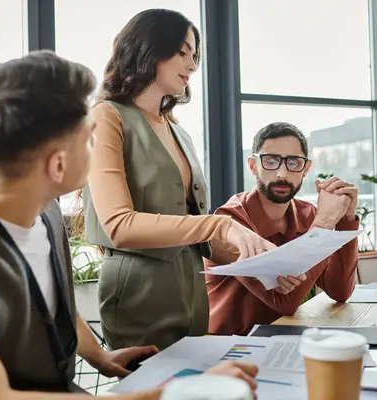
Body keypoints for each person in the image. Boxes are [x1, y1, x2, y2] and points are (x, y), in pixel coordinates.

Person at [0, 51, 258, 400]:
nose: (96, 150)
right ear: (57, 165)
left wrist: (99, 356)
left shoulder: (45, 213)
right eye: (89, 140)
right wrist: (178, 393)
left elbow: (51, 305)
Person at [84, 8, 278, 352]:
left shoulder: (178, 131)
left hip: (191, 299)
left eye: (194, 55)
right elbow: (119, 225)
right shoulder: (107, 117)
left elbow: (192, 231)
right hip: (138, 301)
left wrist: (260, 261)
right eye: (182, 52)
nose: (192, 65)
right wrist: (216, 226)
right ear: (147, 49)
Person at [205, 122, 361, 335]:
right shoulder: (230, 222)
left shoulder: (309, 216)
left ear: (305, 169)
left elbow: (340, 291)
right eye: (270, 161)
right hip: (231, 349)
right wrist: (324, 223)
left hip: (287, 342)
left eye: (294, 163)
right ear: (252, 166)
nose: (282, 173)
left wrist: (345, 219)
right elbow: (284, 302)